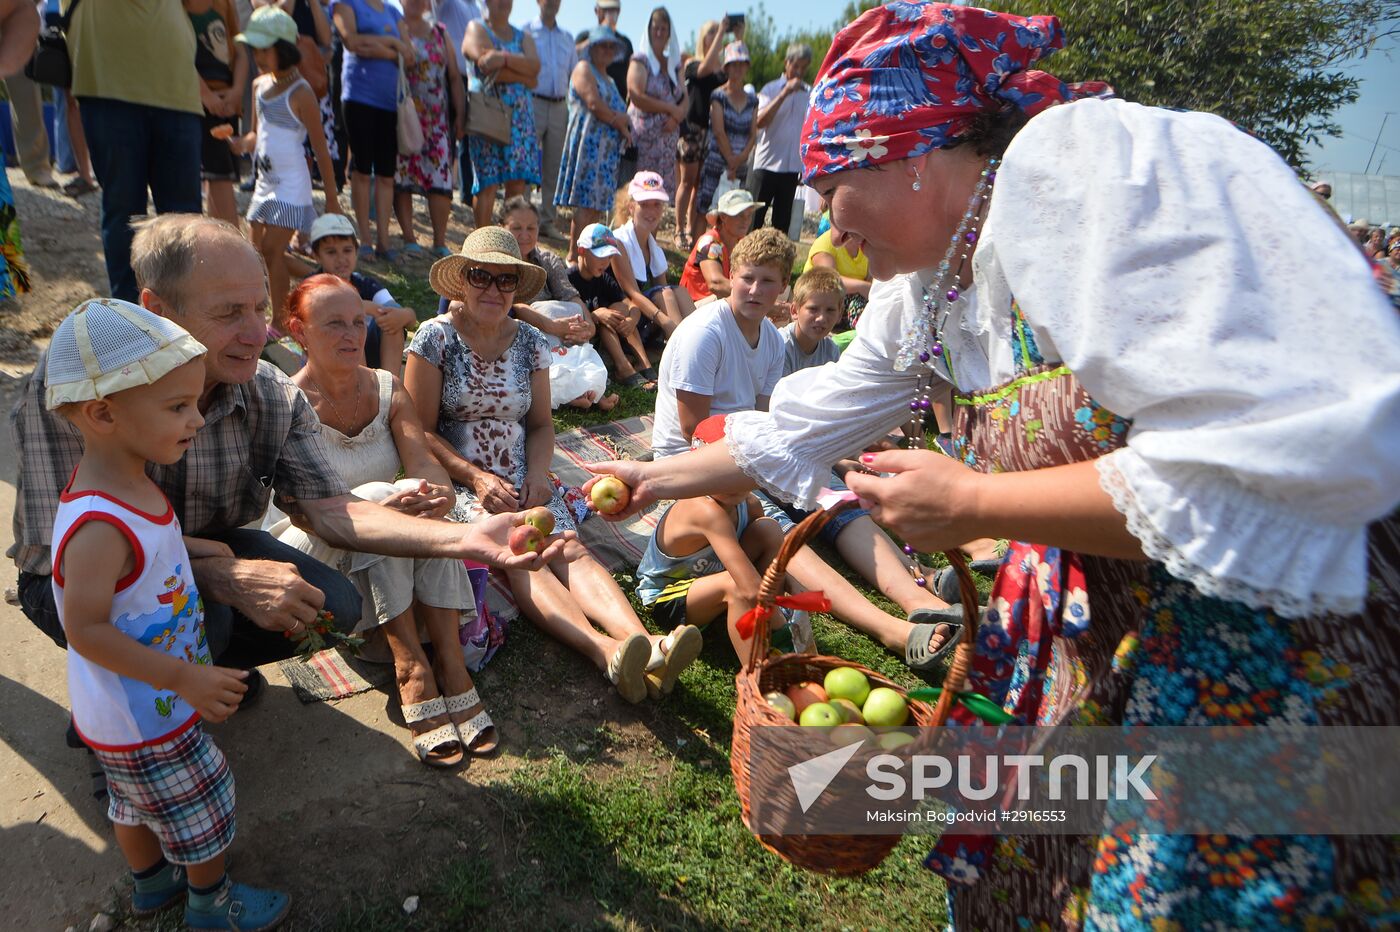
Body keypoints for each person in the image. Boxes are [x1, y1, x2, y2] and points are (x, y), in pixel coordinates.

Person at [585, 3, 1400, 926]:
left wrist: (977, 502)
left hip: (1245, 655)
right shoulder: (934, 286)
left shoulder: (1075, 177)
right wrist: (650, 480)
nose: (830, 233)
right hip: (1089, 640)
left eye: (833, 187)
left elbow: (1274, 463)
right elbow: (798, 430)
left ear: (913, 156)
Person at [12, 215, 569, 679]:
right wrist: (218, 576)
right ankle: (124, 714)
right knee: (205, 614)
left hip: (212, 543)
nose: (258, 334)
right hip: (79, 571)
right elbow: (53, 551)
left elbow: (335, 511)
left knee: (336, 604)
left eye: (259, 309)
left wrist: (466, 538)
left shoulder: (268, 392)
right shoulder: (77, 391)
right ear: (158, 311)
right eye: (229, 313)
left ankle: (206, 667)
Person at [44, 299, 290, 930]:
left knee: (132, 804)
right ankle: (212, 905)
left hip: (128, 709)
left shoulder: (127, 478)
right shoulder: (98, 527)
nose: (196, 419)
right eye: (178, 406)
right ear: (103, 414)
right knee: (202, 804)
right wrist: (185, 678)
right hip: (145, 709)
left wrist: (203, 549)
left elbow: (154, 544)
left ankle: (153, 884)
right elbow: (84, 628)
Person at [406, 227, 699, 703]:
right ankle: (606, 652)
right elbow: (418, 430)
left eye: (506, 280)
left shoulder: (528, 340)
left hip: (523, 474)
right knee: (526, 559)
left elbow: (542, 425)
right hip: (461, 479)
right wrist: (475, 478)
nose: (494, 289)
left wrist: (538, 475)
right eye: (481, 276)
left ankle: (648, 646)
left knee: (569, 548)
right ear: (461, 279)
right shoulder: (434, 338)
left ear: (517, 288)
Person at [279, 275, 495, 766]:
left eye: (358, 322)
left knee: (415, 496)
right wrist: (380, 509)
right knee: (381, 496)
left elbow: (424, 463)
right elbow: (305, 512)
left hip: (372, 546)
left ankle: (451, 665)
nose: (351, 334)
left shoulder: (386, 387)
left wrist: (437, 494)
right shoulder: (286, 402)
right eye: (333, 324)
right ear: (298, 330)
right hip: (309, 546)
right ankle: (410, 667)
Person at [67, 0, 204, 302]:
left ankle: (188, 315)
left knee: (186, 220)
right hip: (108, 85)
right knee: (124, 210)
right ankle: (128, 319)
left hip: (177, 88)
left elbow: (199, 5)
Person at [636, 415, 792, 660]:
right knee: (737, 585)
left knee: (768, 529)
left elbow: (761, 566)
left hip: (711, 582)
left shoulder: (750, 504)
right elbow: (748, 586)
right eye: (720, 473)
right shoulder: (704, 510)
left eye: (740, 471)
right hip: (666, 597)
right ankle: (760, 671)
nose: (731, 483)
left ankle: (766, 619)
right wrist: (787, 633)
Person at [232, 6, 343, 335]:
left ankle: (279, 321)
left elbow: (321, 149)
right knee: (259, 254)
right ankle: (321, 278)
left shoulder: (301, 92)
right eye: (255, 49)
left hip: (292, 185)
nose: (258, 56)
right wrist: (240, 143)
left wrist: (332, 199)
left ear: (284, 49)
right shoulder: (258, 86)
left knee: (271, 250)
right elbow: (256, 135)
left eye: (264, 49)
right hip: (264, 182)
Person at [496, 198, 616, 410]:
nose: (524, 235)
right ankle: (566, 391)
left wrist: (588, 326)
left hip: (557, 329)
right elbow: (514, 305)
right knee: (541, 321)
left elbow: (569, 294)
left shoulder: (547, 259)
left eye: (531, 228)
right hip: (520, 326)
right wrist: (551, 326)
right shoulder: (496, 261)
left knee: (574, 313)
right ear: (501, 228)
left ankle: (586, 387)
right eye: (516, 228)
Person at [331, 0, 413, 261]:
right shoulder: (345, 4)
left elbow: (410, 55)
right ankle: (365, 239)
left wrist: (382, 49)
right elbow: (352, 42)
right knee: (363, 169)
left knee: (387, 174)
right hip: (358, 97)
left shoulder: (393, 11)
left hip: (390, 103)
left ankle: (384, 242)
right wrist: (393, 44)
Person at [393, 0, 465, 259]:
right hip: (404, 115)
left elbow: (454, 77)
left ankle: (439, 241)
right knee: (402, 176)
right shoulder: (394, 27)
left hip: (437, 120)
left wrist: (461, 115)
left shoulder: (440, 33)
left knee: (440, 179)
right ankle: (409, 238)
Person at [464, 0, 543, 230]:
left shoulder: (524, 37)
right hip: (487, 115)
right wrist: (524, 74)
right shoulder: (476, 28)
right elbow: (486, 66)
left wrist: (504, 59)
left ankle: (508, 243)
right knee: (486, 183)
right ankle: (481, 242)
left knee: (516, 182)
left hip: (520, 120)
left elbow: (535, 70)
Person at [308, 212, 417, 376]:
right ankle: (361, 385)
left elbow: (409, 318)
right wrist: (363, 308)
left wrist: (404, 315)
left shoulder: (365, 284)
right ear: (316, 256)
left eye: (347, 250)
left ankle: (389, 385)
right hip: (329, 356)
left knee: (391, 318)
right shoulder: (312, 286)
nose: (341, 259)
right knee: (350, 324)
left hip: (368, 351)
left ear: (356, 252)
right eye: (331, 252)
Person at [555, 26, 630, 260]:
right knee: (586, 204)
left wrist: (622, 124)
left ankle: (588, 257)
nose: (607, 50)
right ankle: (573, 256)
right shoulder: (583, 68)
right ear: (592, 47)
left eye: (611, 46)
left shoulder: (610, 80)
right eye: (602, 45)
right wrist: (620, 122)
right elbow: (594, 103)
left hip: (606, 153)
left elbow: (620, 113)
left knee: (596, 207)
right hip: (588, 147)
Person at [186, 0, 250, 229]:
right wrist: (205, 95)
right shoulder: (177, 8)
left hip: (226, 101)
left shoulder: (225, 4)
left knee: (221, 176)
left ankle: (222, 238)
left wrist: (237, 91)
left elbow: (240, 51)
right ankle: (230, 241)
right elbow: (176, 54)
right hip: (194, 100)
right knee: (216, 175)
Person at [569, 222, 656, 390]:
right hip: (582, 338)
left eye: (609, 257)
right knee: (608, 317)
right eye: (600, 256)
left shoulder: (602, 277)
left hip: (605, 336)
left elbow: (631, 305)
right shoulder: (569, 279)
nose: (606, 263)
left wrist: (632, 320)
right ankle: (624, 369)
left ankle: (644, 364)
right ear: (582, 251)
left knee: (621, 309)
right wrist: (595, 316)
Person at [610, 170, 695, 336]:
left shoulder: (654, 248)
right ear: (631, 207)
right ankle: (680, 342)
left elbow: (663, 288)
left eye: (657, 204)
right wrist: (666, 322)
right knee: (667, 294)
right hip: (625, 315)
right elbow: (632, 293)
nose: (651, 211)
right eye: (644, 204)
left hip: (647, 315)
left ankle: (695, 341)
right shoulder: (619, 241)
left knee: (680, 292)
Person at [675, 18, 734, 250]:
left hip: (710, 132)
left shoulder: (720, 70)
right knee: (686, 181)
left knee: (699, 187)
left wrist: (737, 37)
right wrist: (722, 33)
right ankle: (679, 230)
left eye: (717, 31)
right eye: (711, 31)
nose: (716, 34)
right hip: (691, 129)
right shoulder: (693, 63)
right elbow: (703, 69)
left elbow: (731, 78)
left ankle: (692, 230)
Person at [748, 43, 811, 235]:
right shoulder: (771, 89)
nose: (799, 72)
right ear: (786, 63)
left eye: (804, 67)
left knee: (781, 227)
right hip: (766, 164)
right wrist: (784, 93)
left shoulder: (809, 94)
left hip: (791, 168)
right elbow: (760, 121)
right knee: (753, 221)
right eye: (795, 66)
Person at [526, 0, 576, 239]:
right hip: (532, 101)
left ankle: (547, 221)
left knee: (553, 166)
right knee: (526, 164)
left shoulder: (567, 38)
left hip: (559, 106)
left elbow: (574, 74)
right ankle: (522, 221)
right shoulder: (526, 31)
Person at [626, 7, 686, 195]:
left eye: (663, 29)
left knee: (663, 194)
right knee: (642, 192)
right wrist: (669, 108)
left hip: (667, 143)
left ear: (669, 33)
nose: (659, 32)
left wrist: (676, 118)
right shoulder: (640, 60)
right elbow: (636, 94)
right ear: (649, 30)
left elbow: (685, 98)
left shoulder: (675, 65)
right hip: (644, 141)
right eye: (656, 28)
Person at [696, 42, 756, 219]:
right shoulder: (718, 95)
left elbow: (753, 135)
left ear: (747, 67)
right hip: (717, 161)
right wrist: (731, 160)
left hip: (741, 165)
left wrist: (739, 160)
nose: (738, 68)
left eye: (742, 64)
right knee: (706, 210)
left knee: (735, 213)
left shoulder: (753, 100)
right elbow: (718, 131)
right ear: (726, 67)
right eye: (733, 64)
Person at [679, 188, 758, 305]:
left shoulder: (742, 243)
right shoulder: (710, 242)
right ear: (723, 217)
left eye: (749, 215)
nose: (746, 220)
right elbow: (716, 284)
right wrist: (756, 296)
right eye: (740, 215)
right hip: (692, 307)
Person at [801, 224, 872, 337]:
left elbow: (872, 279)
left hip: (852, 302)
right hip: (822, 298)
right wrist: (862, 287)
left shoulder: (866, 246)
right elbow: (830, 280)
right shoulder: (825, 243)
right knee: (860, 307)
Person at [780, 267, 842, 374]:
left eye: (830, 310)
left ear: (839, 314)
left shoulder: (831, 351)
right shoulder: (781, 347)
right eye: (813, 309)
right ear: (794, 311)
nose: (821, 318)